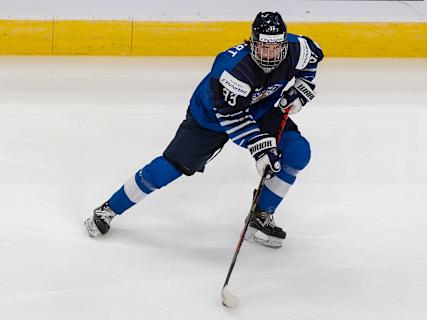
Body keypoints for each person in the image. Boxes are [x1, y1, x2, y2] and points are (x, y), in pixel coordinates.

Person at [85, 11, 324, 248]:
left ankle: (259, 217)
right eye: (264, 48)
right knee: (169, 168)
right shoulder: (233, 70)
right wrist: (261, 148)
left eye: (275, 48)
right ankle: (109, 208)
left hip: (258, 110)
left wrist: (301, 89)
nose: (270, 55)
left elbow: (312, 59)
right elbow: (232, 118)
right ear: (252, 43)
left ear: (284, 44)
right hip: (210, 118)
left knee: (298, 152)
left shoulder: (297, 49)